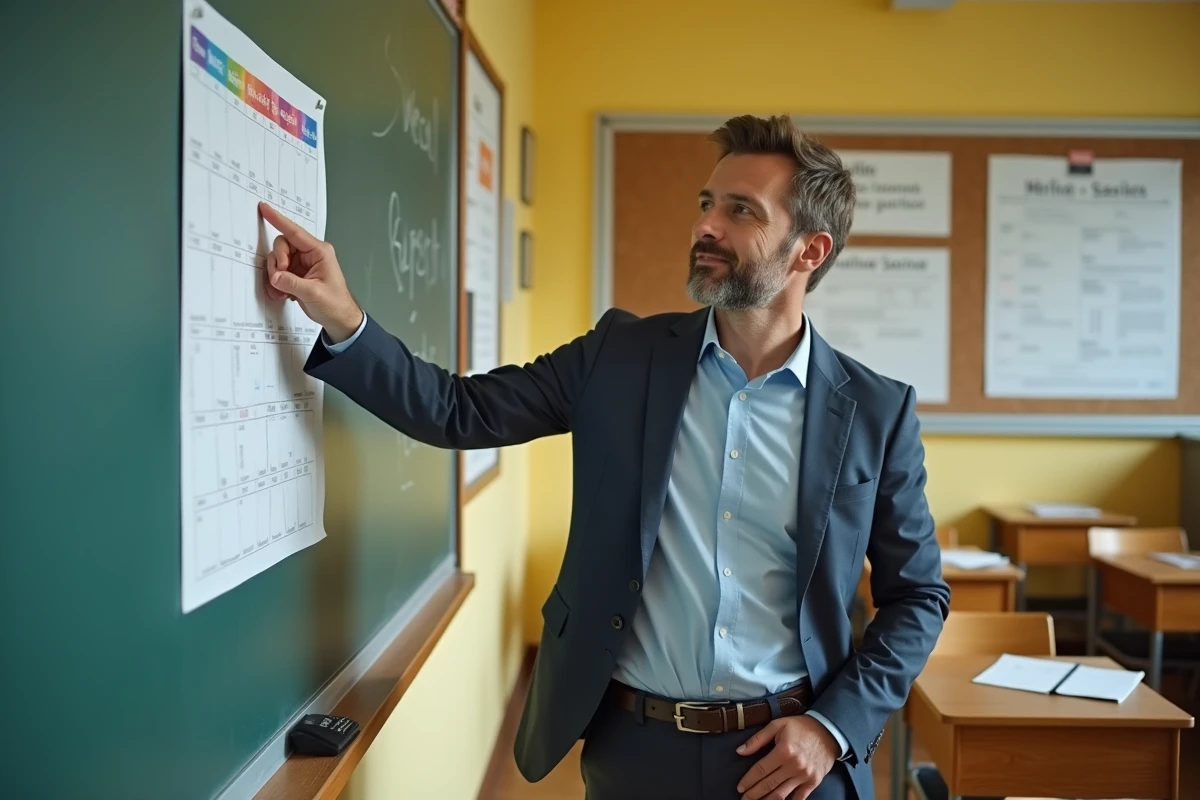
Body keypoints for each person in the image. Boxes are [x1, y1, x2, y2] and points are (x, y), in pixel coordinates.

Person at [258, 113, 949, 800]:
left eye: (741, 211)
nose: (706, 225)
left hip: (792, 761)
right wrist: (346, 320)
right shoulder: (619, 358)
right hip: (636, 752)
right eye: (707, 203)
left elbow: (916, 597)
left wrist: (832, 728)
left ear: (809, 251)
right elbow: (456, 411)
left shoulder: (876, 413)